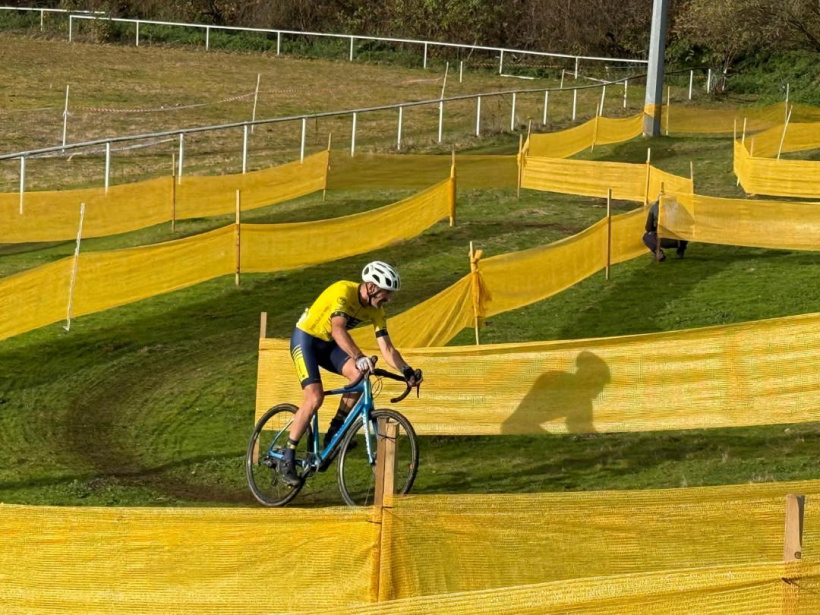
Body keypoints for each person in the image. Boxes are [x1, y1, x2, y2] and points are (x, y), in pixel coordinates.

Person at [282, 261, 423, 486]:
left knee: (359, 376)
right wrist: (358, 356)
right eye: (386, 293)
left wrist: (406, 370)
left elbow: (387, 348)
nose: (389, 299)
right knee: (314, 397)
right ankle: (287, 458)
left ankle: (335, 430)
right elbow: (337, 328)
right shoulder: (343, 291)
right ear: (371, 287)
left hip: (327, 345)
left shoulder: (377, 311)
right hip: (305, 339)